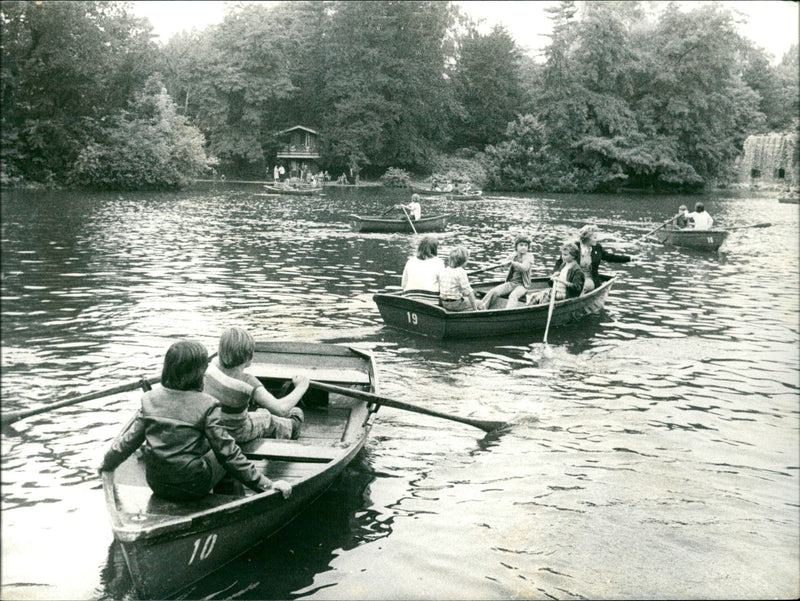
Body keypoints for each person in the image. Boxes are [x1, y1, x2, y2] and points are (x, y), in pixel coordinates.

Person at [99, 340, 291, 501]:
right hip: (192, 485)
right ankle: (235, 504)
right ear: (198, 373)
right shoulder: (208, 404)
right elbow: (229, 454)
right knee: (226, 454)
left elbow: (127, 442)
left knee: (211, 448)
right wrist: (267, 485)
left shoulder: (149, 399)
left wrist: (106, 464)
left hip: (156, 483)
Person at [204, 327, 307, 443]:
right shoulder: (247, 382)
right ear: (248, 356)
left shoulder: (211, 368)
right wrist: (302, 386)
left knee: (260, 413)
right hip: (237, 432)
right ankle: (293, 427)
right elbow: (281, 410)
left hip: (213, 427)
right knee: (270, 418)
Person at [559, 224, 630, 294]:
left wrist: (629, 259)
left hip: (588, 278)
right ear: (587, 238)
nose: (596, 240)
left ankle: (578, 299)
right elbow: (560, 261)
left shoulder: (597, 248)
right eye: (594, 238)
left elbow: (610, 257)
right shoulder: (574, 246)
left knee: (586, 286)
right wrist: (556, 272)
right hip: (572, 276)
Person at [477, 237, 535, 310]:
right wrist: (503, 264)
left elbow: (524, 268)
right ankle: (481, 308)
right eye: (521, 245)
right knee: (494, 291)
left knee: (513, 296)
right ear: (516, 247)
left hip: (522, 286)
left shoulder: (529, 257)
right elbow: (503, 267)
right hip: (511, 283)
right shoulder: (513, 256)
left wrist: (513, 263)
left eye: (526, 245)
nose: (523, 247)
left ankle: (507, 312)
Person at [438, 246, 480, 312]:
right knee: (480, 304)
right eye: (467, 260)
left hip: (444, 303)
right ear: (462, 261)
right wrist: (475, 309)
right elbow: (469, 293)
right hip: (455, 304)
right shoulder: (461, 272)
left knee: (464, 298)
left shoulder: (444, 270)